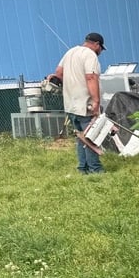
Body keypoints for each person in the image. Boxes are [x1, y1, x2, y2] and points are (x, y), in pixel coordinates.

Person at [53, 32, 107, 174]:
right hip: (85, 104)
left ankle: (83, 169)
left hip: (71, 104)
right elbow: (91, 77)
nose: (100, 51)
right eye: (101, 48)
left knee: (81, 137)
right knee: (91, 136)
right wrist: (96, 101)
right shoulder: (90, 55)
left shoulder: (70, 52)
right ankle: (96, 169)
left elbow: (58, 73)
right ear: (96, 44)